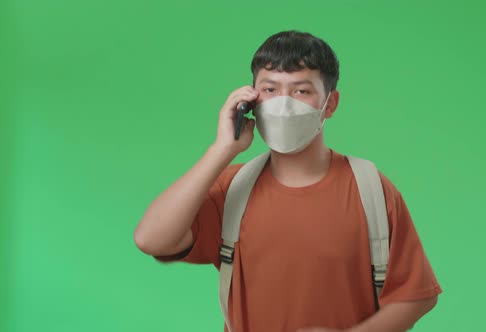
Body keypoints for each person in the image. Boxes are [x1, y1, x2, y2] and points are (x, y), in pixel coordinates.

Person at [133, 30, 442, 332]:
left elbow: (417, 295)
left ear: (330, 104)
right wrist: (221, 150)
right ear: (250, 102)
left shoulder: (370, 188)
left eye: (301, 91)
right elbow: (151, 238)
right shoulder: (233, 187)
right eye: (269, 90)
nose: (283, 103)